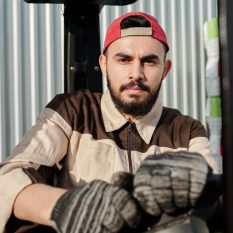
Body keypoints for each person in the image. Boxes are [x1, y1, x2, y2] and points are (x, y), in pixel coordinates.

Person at [0, 12, 219, 233]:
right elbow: (9, 179)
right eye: (124, 59)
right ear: (104, 64)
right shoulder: (72, 111)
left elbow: (213, 193)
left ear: (165, 69)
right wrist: (66, 206)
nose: (136, 73)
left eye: (149, 61)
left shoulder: (186, 130)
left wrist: (195, 186)